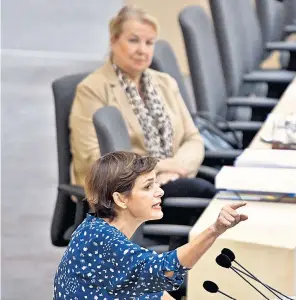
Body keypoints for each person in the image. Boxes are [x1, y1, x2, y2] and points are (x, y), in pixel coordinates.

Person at [53, 151, 248, 299]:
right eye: (148, 186)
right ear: (120, 199)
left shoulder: (93, 228)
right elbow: (165, 270)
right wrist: (214, 230)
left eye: (156, 183)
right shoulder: (103, 241)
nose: (160, 192)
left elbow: (153, 289)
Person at [69, 5, 216, 201]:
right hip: (123, 194)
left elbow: (193, 138)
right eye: (133, 41)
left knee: (223, 191)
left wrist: (175, 170)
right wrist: (159, 167)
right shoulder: (92, 89)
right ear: (113, 41)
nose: (142, 50)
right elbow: (94, 160)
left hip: (169, 181)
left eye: (149, 43)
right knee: (210, 197)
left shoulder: (164, 82)